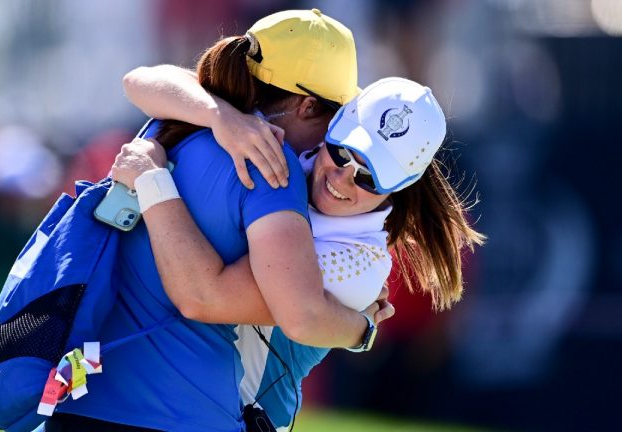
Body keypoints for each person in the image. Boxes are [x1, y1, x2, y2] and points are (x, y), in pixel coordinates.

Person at [46, 9, 382, 432]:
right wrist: (360, 326)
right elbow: (244, 304)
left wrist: (218, 115)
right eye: (335, 118)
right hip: (183, 412)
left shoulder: (172, 120)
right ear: (308, 105)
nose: (332, 140)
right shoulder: (275, 171)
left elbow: (138, 79)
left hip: (82, 396)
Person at [112, 75, 485, 430]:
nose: (343, 178)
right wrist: (221, 116)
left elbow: (203, 296)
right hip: (162, 402)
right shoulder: (298, 153)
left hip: (231, 419)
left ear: (401, 186)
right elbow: (140, 82)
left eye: (369, 177)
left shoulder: (358, 267)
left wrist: (151, 180)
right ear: (331, 130)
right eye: (343, 153)